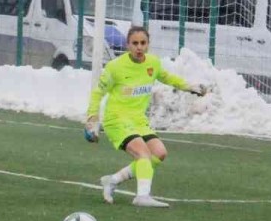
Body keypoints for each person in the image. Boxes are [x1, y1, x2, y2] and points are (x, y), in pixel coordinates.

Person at [86, 26, 207, 208]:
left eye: (143, 43)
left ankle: (113, 180)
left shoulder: (152, 63)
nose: (139, 47)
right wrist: (92, 118)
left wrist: (189, 86)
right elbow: (98, 92)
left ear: (148, 44)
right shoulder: (115, 67)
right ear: (128, 45)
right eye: (135, 43)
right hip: (117, 120)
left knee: (159, 153)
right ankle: (142, 196)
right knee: (143, 153)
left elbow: (167, 77)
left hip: (138, 120)